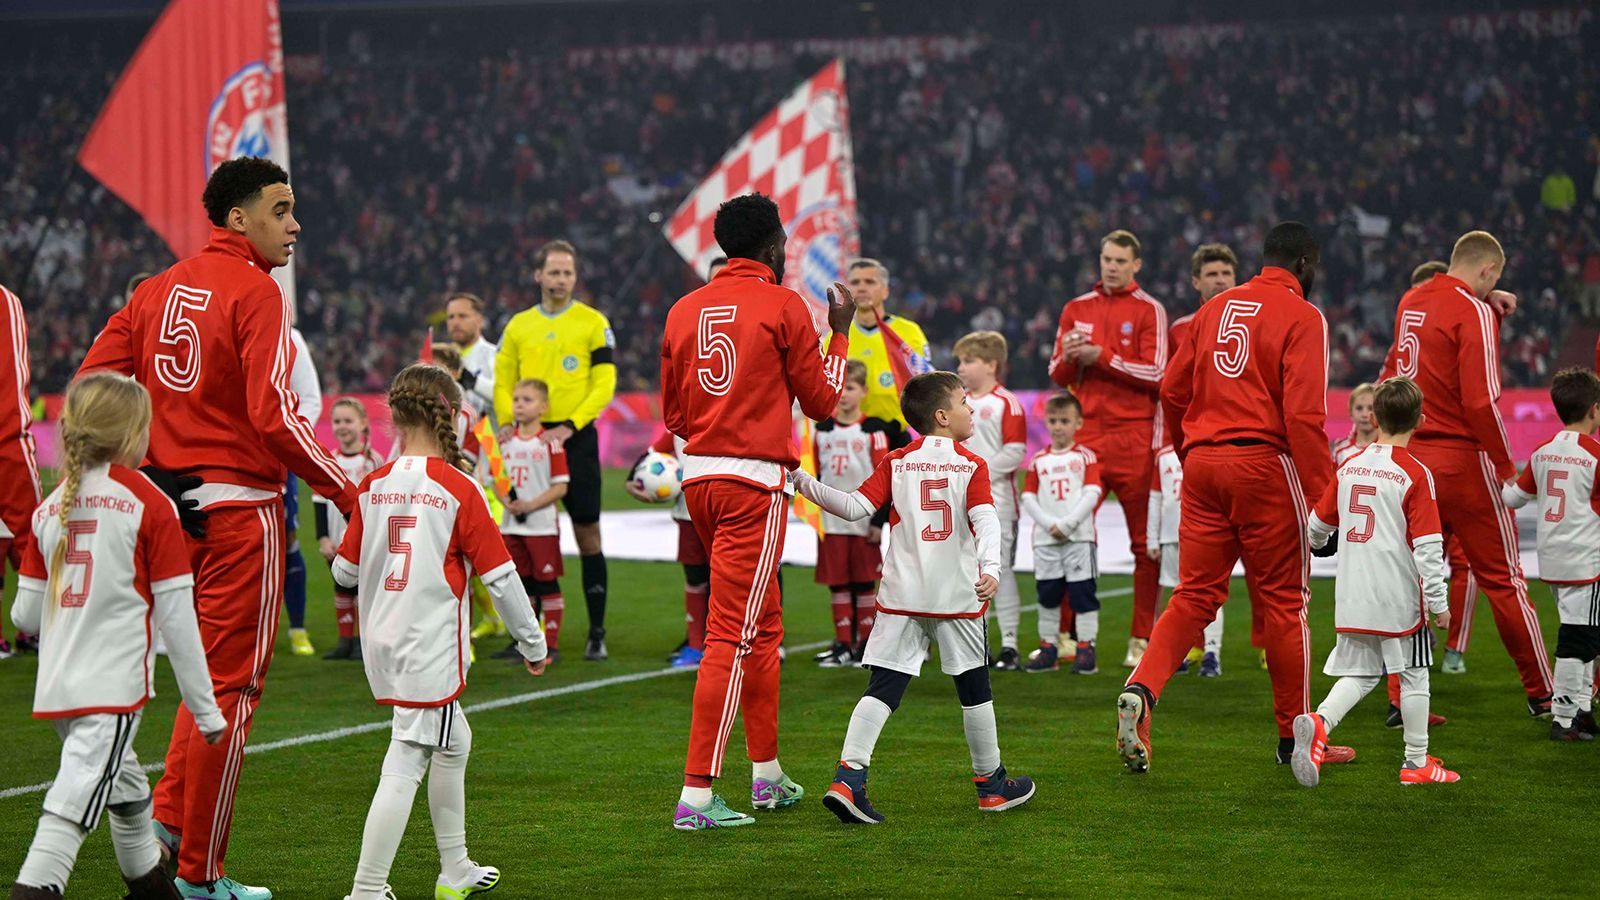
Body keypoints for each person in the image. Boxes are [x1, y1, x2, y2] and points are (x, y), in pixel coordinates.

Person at [78, 156, 358, 899]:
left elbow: (89, 391)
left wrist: (141, 472)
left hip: (167, 516)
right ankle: (202, 877)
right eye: (282, 207)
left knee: (197, 686)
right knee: (229, 695)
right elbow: (275, 415)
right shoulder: (256, 291)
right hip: (240, 516)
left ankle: (169, 826)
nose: (295, 224)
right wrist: (346, 488)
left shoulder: (154, 289)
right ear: (240, 217)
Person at [1116, 222, 1343, 774]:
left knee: (1193, 596)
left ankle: (1141, 691)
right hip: (1265, 466)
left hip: (1203, 465)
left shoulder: (1213, 309)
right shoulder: (1304, 316)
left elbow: (1172, 389)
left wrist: (1188, 454)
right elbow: (1305, 416)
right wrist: (1324, 501)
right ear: (1306, 266)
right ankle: (1295, 739)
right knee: (1287, 606)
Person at [659, 193, 852, 830]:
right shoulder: (783, 304)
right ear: (774, 247)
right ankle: (695, 796)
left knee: (763, 626)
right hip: (755, 485)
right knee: (732, 637)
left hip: (701, 482)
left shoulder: (683, 310)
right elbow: (823, 402)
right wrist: (841, 333)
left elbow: (675, 416)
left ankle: (766, 775)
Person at [332, 364, 547, 900]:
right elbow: (501, 578)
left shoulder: (373, 484)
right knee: (406, 757)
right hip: (428, 646)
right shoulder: (459, 488)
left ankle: (455, 869)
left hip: (382, 640)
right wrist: (532, 642)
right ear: (453, 415)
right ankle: (366, 889)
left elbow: (343, 573)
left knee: (454, 742)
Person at [8, 373, 225, 900]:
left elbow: (25, 618)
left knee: (128, 797)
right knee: (70, 807)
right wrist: (206, 711)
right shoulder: (148, 502)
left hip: (58, 690)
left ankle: (153, 889)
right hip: (112, 690)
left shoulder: (51, 505)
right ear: (134, 434)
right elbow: (178, 618)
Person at [791, 371, 1036, 823]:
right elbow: (987, 521)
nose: (972, 409)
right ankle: (991, 786)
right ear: (943, 416)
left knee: (883, 688)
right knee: (974, 689)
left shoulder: (898, 461)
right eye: (965, 402)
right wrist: (992, 568)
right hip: (957, 597)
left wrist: (800, 479)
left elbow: (852, 507)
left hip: (901, 596)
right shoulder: (972, 465)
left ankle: (848, 779)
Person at [1378, 230, 1555, 717]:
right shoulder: (1472, 310)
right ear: (1487, 271)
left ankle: (1401, 699)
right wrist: (1506, 467)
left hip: (1412, 457)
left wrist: (1488, 304)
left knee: (1410, 582)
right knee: (1503, 580)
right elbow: (1481, 401)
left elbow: (1399, 366)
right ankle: (1543, 693)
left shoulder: (1412, 299)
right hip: (1463, 461)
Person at [1295, 376, 1459, 787]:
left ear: (1377, 417)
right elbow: (1428, 548)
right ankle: (1416, 762)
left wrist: (1320, 544)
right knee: (1415, 673)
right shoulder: (1415, 473)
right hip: (1398, 597)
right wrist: (1439, 604)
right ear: (1420, 420)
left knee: (1365, 673)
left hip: (1352, 594)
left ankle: (1319, 722)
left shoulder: (1350, 466)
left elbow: (1316, 526)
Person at [1049, 230, 1167, 668]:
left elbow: (1158, 373)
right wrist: (1069, 358)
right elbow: (1056, 373)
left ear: (1136, 265)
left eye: (1120, 260)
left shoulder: (1148, 310)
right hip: (1085, 439)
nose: (1111, 266)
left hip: (1135, 438)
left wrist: (1102, 356)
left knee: (1145, 544)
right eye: (1106, 259)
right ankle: (1064, 635)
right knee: (1070, 535)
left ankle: (1142, 638)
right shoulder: (1076, 308)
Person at [494, 240, 616, 661]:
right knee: (521, 538)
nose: (561, 279)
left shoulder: (593, 323)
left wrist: (569, 426)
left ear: (574, 277)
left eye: (567, 272)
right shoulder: (518, 326)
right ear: (538, 276)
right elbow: (502, 380)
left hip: (574, 438)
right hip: (525, 442)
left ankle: (596, 632)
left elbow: (604, 384)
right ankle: (526, 635)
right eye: (554, 272)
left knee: (587, 534)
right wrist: (507, 423)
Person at [1502, 367, 1600, 741]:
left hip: (1551, 558)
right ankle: (1564, 718)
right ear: (1594, 409)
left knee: (1584, 632)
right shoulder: (1595, 454)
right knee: (1579, 638)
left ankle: (1584, 711)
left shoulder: (1542, 452)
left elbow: (1513, 498)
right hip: (1585, 559)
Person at [1167, 243, 1249, 673]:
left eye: (1227, 273)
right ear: (1196, 281)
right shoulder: (1183, 327)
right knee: (1198, 568)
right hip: (1202, 450)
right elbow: (1172, 389)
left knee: (1253, 565)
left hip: (1232, 449)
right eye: (1212, 273)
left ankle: (1268, 644)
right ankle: (1199, 647)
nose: (1220, 280)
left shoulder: (1253, 318)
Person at [811, 360, 896, 667]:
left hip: (862, 522)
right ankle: (843, 643)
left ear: (864, 392)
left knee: (863, 582)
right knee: (837, 582)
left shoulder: (873, 431)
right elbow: (818, 475)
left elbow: (884, 478)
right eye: (840, 388)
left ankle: (865, 645)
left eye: (851, 388)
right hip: (831, 521)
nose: (844, 394)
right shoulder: (822, 430)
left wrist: (878, 520)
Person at [953, 331, 1028, 669]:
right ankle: (977, 641)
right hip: (958, 502)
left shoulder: (1006, 402)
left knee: (1001, 570)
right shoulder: (957, 402)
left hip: (998, 502)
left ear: (991, 364)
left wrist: (976, 474)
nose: (961, 367)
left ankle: (1010, 643)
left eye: (968, 361)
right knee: (966, 570)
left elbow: (1016, 450)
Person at [1020, 392, 1103, 675]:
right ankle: (1048, 649)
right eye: (1053, 420)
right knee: (1048, 596)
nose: (1058, 426)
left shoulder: (1085, 457)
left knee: (1083, 596)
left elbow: (1093, 492)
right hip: (1046, 541)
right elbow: (1028, 497)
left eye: (1064, 421)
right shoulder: (1038, 460)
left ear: (1078, 423)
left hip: (1078, 539)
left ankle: (1086, 650)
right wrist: (1049, 524)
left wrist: (1067, 524)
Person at [493, 379, 570, 661]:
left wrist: (530, 505)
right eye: (516, 399)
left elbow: (560, 486)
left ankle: (551, 645)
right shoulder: (504, 442)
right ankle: (527, 644)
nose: (519, 405)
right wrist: (507, 503)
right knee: (523, 583)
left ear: (543, 407)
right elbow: (497, 480)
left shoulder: (551, 442)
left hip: (541, 526)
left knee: (546, 582)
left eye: (527, 400)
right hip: (512, 524)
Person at [628, 430, 708, 669]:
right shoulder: (677, 430)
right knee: (695, 579)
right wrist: (633, 485)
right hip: (687, 515)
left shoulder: (722, 417)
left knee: (726, 580)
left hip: (722, 512)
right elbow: (646, 458)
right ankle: (695, 646)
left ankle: (733, 644)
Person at [1146, 441, 1226, 677]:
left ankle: (1212, 654)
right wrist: (1152, 539)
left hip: (1205, 534)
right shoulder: (1163, 456)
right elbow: (1155, 498)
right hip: (1171, 536)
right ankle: (1178, 652)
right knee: (1175, 595)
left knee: (1209, 593)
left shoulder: (1211, 450)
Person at [315, 398, 383, 661]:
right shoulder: (329, 460)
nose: (342, 427)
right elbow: (320, 501)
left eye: (348, 421)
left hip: (363, 541)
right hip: (335, 542)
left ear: (363, 423)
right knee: (340, 587)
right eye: (337, 421)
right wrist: (322, 537)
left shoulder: (373, 461)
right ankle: (345, 640)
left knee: (363, 591)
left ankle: (364, 642)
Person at [0, 282, 42, 660]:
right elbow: (10, 399)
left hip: (6, 441)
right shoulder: (3, 302)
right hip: (6, 443)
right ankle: (37, 628)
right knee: (32, 533)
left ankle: (31, 630)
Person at [846, 258, 930, 432]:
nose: (861, 287)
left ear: (885, 291)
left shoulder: (909, 332)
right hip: (853, 439)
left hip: (899, 436)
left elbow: (925, 386)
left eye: (869, 282)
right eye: (855, 282)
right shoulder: (837, 335)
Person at [283, 323, 323, 657]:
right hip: (220, 458)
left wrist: (285, 445)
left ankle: (297, 628)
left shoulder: (290, 337)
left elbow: (309, 400)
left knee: (287, 539)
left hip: (272, 459)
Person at [445, 293, 496, 421]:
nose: (455, 322)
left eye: (463, 316)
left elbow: (504, 396)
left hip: (485, 438)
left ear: (480, 321)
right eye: (451, 317)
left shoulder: (495, 355)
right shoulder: (439, 358)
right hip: (448, 438)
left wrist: (471, 381)